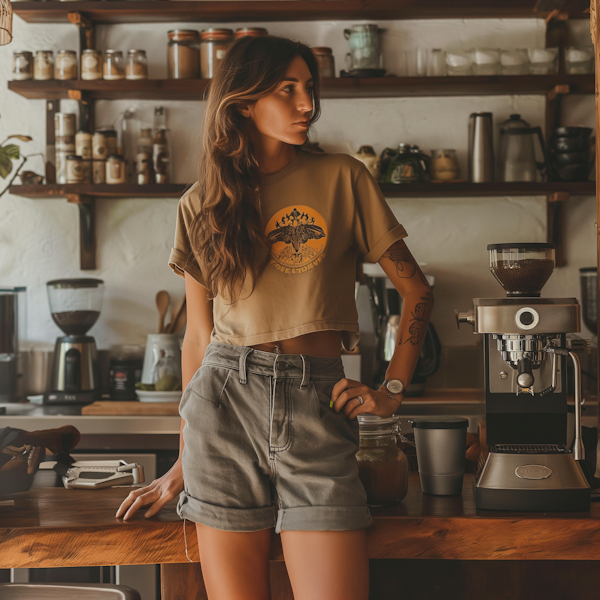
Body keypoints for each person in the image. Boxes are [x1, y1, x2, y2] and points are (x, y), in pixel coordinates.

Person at [116, 35, 433, 600]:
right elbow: (197, 337)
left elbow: (417, 290)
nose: (307, 103)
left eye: (309, 89)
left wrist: (392, 389)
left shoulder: (345, 178)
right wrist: (185, 458)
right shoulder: (200, 204)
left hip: (318, 404)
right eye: (288, 90)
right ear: (241, 101)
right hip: (223, 406)